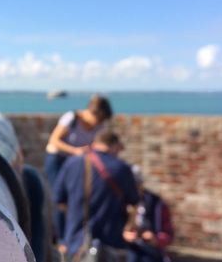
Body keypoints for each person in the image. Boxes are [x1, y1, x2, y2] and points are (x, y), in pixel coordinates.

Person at [52, 129, 139, 260]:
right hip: (111, 242)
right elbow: (134, 202)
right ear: (114, 145)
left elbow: (59, 201)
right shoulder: (122, 168)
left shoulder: (71, 163)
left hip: (76, 243)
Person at [45, 94, 113, 241]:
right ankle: (61, 238)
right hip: (58, 160)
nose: (99, 124)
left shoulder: (99, 126)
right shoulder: (72, 118)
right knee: (60, 198)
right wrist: (75, 151)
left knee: (77, 198)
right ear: (92, 112)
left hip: (76, 163)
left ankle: (75, 236)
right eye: (99, 119)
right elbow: (54, 140)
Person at [123, 166, 174, 262]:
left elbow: (168, 234)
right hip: (127, 252)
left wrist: (155, 239)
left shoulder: (156, 204)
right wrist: (124, 235)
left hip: (151, 252)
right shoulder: (119, 202)